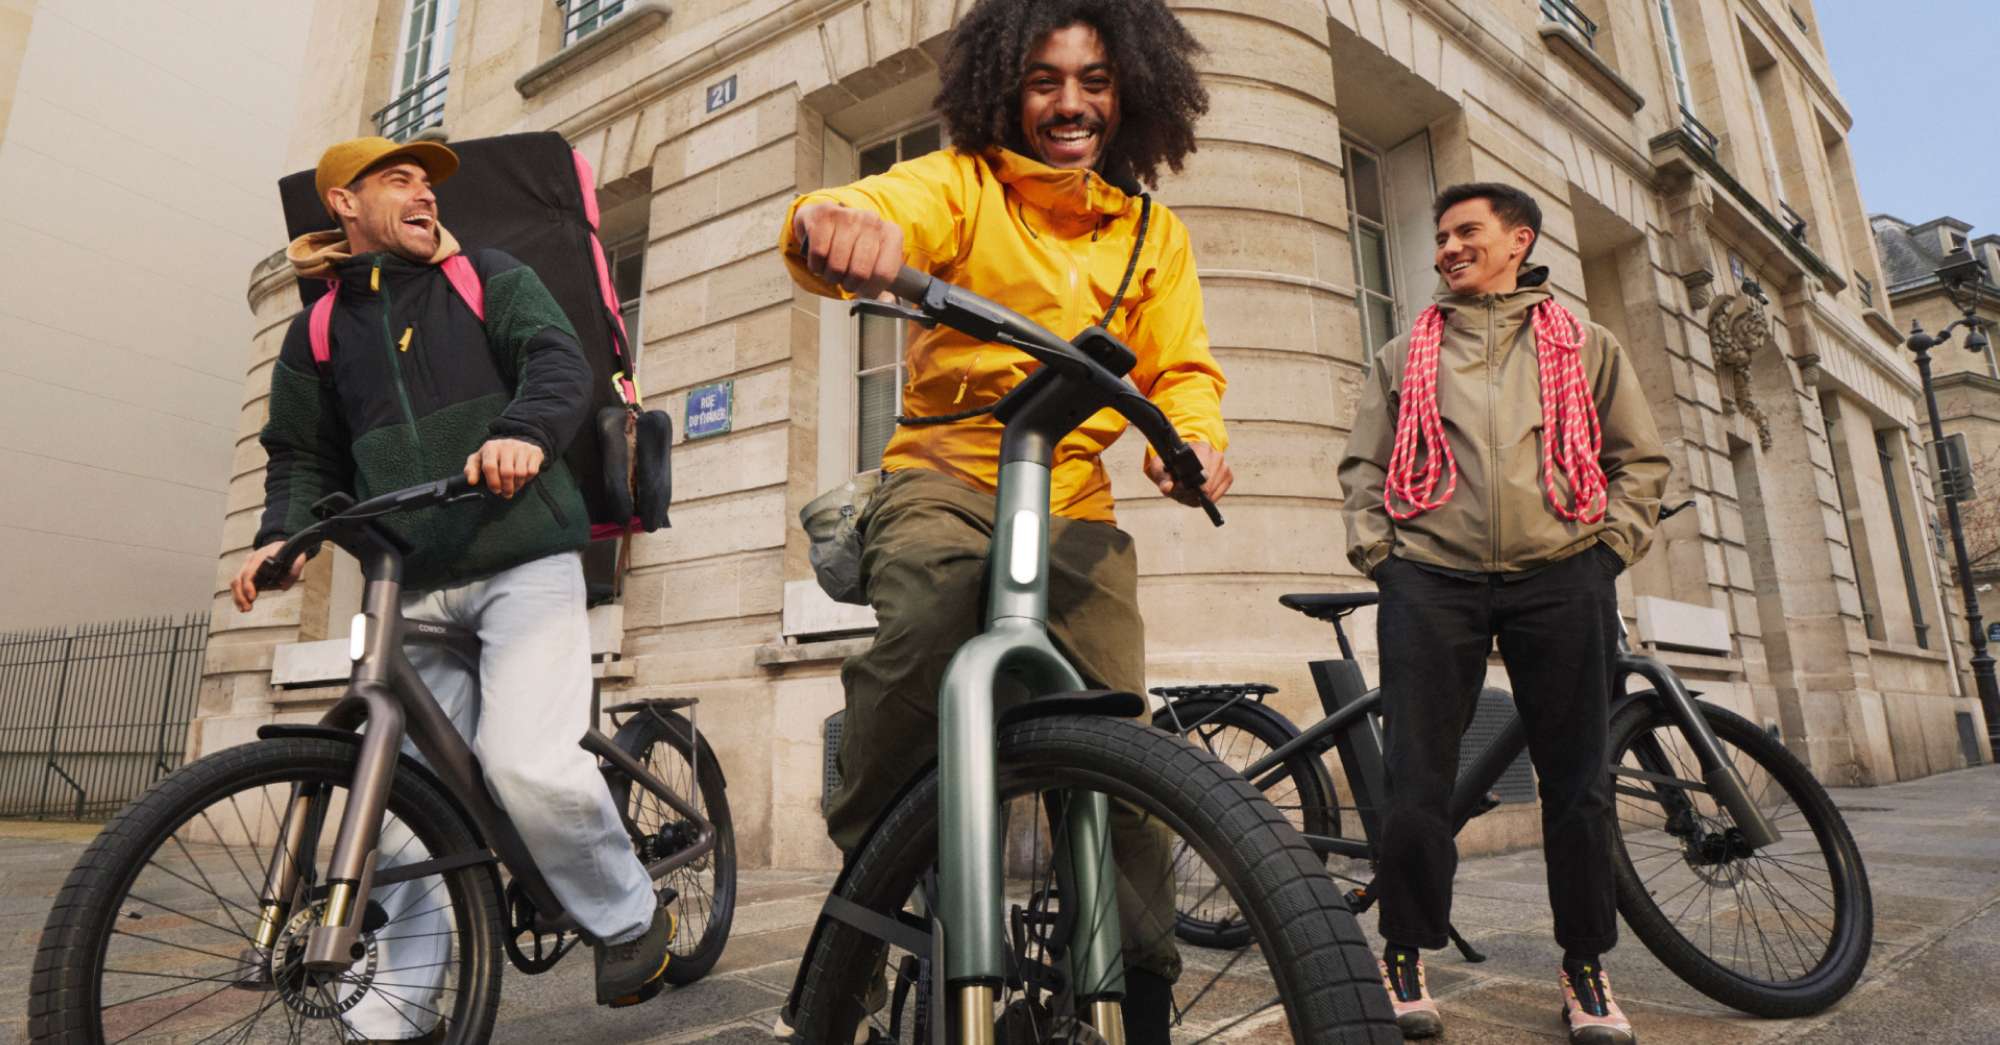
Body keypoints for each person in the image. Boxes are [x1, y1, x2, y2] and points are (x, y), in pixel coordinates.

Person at [777, 0, 1230, 1038]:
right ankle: (870, 884)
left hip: (1072, 495)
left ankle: (1138, 988)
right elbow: (872, 206)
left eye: (1093, 80)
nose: (1069, 102)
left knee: (1122, 734)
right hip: (944, 472)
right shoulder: (962, 185)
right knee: (932, 614)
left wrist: (1194, 440)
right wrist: (833, 223)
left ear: (1130, 92)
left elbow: (1184, 368)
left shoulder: (1152, 235)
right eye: (1042, 78)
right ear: (1004, 89)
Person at [231, 136, 674, 1030]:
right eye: (399, 179)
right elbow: (300, 455)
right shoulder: (317, 328)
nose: (424, 192)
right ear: (343, 205)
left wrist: (521, 433)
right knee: (401, 812)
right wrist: (283, 538)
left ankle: (633, 918)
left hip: (523, 558)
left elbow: (558, 365)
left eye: (428, 182)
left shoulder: (489, 275)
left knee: (527, 764)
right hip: (410, 580)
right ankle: (396, 1012)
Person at [1338, 182, 1670, 1044]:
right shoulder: (1406, 351)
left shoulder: (1585, 346)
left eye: (1466, 232)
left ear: (1517, 240)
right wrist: (1385, 558)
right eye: (1441, 235)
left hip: (1562, 574)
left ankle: (1586, 966)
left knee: (1580, 785)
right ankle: (1404, 950)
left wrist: (1608, 552)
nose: (1447, 247)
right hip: (1431, 580)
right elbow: (1363, 468)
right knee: (1415, 778)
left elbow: (1640, 457)